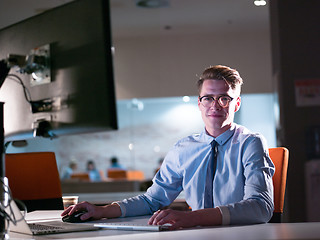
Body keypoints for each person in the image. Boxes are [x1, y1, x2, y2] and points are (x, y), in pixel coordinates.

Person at [62, 65, 275, 229]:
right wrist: (101, 211)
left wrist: (191, 218)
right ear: (199, 104)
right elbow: (152, 199)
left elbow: (261, 208)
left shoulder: (250, 143)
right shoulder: (184, 148)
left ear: (236, 103)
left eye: (224, 98)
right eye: (208, 98)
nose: (215, 105)